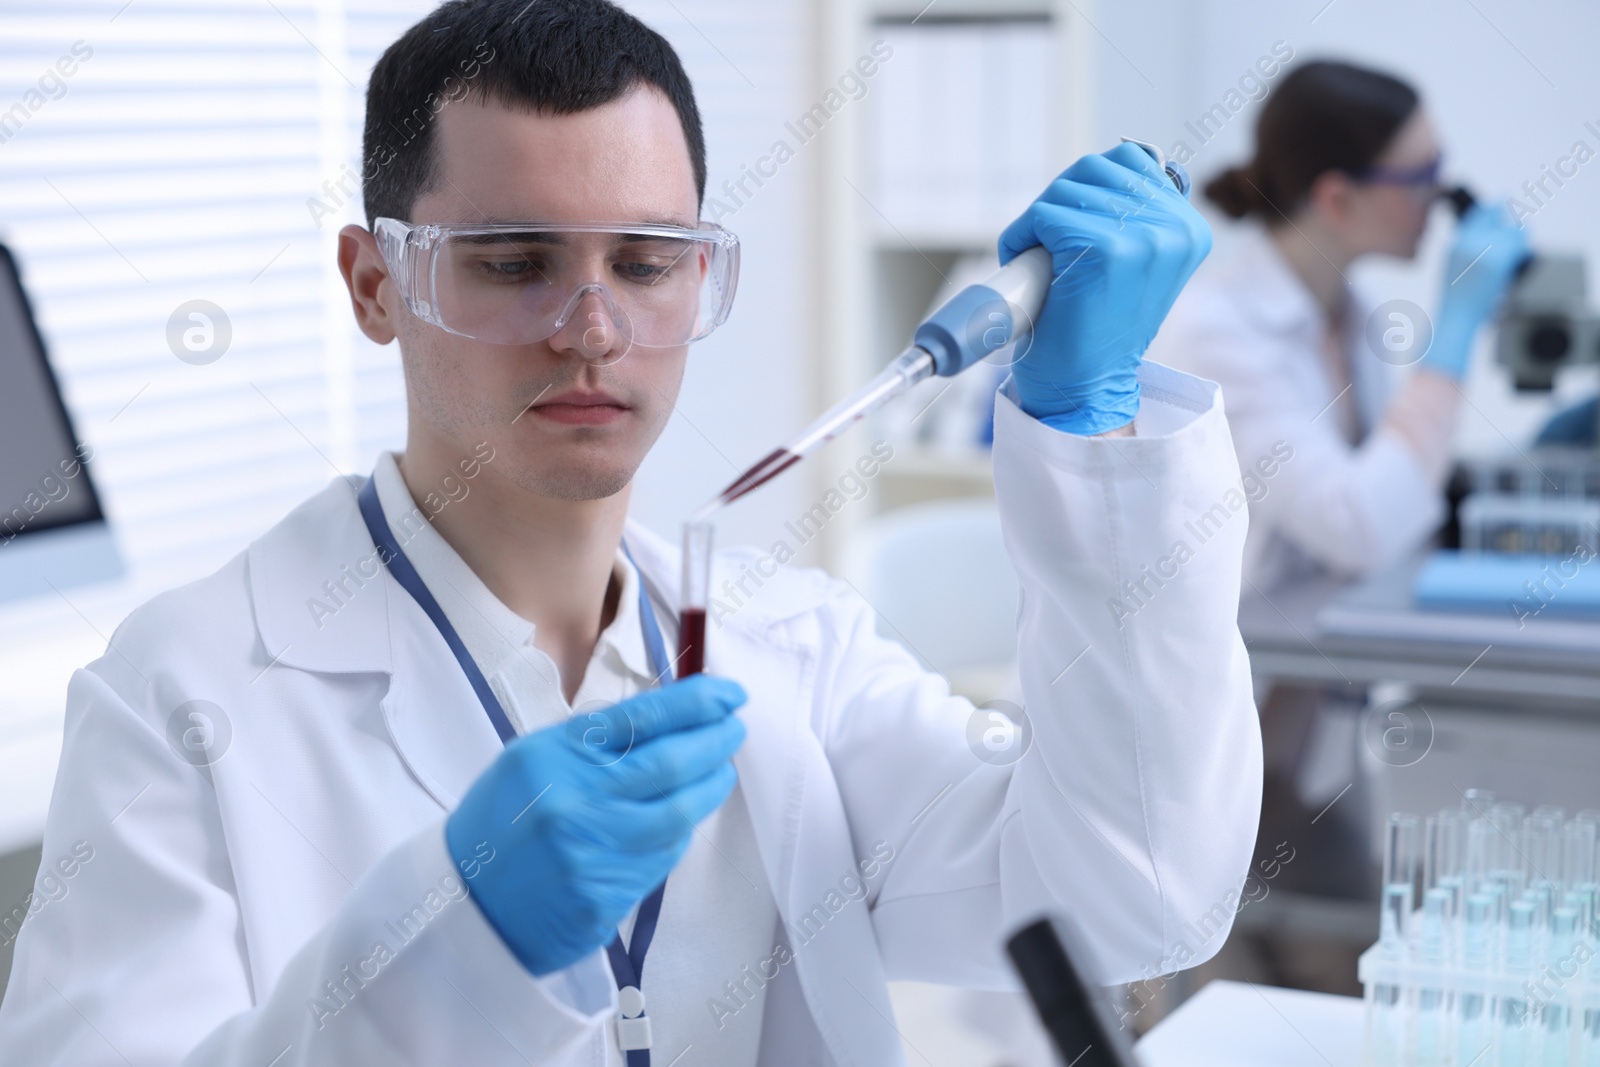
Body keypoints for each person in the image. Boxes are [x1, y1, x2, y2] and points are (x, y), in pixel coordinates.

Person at [0, 2, 1262, 1063]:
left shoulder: (790, 649)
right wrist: (453, 944)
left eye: (648, 261)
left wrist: (1094, 441)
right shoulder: (187, 692)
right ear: (376, 284)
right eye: (513, 261)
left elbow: (1130, 899)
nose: (593, 329)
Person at [1148, 60, 1528, 594]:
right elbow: (1359, 529)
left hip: (1309, 657)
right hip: (1227, 668)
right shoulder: (1217, 333)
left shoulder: (1349, 314)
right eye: (1421, 176)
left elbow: (1390, 497)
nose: (1442, 195)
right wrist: (1453, 335)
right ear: (1337, 200)